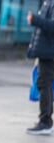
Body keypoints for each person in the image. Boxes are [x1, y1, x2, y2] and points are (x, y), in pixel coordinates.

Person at [27, 1, 54, 135]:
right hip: (46, 51)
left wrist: (35, 20)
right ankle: (45, 120)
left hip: (50, 52)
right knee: (44, 82)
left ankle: (45, 122)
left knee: (44, 83)